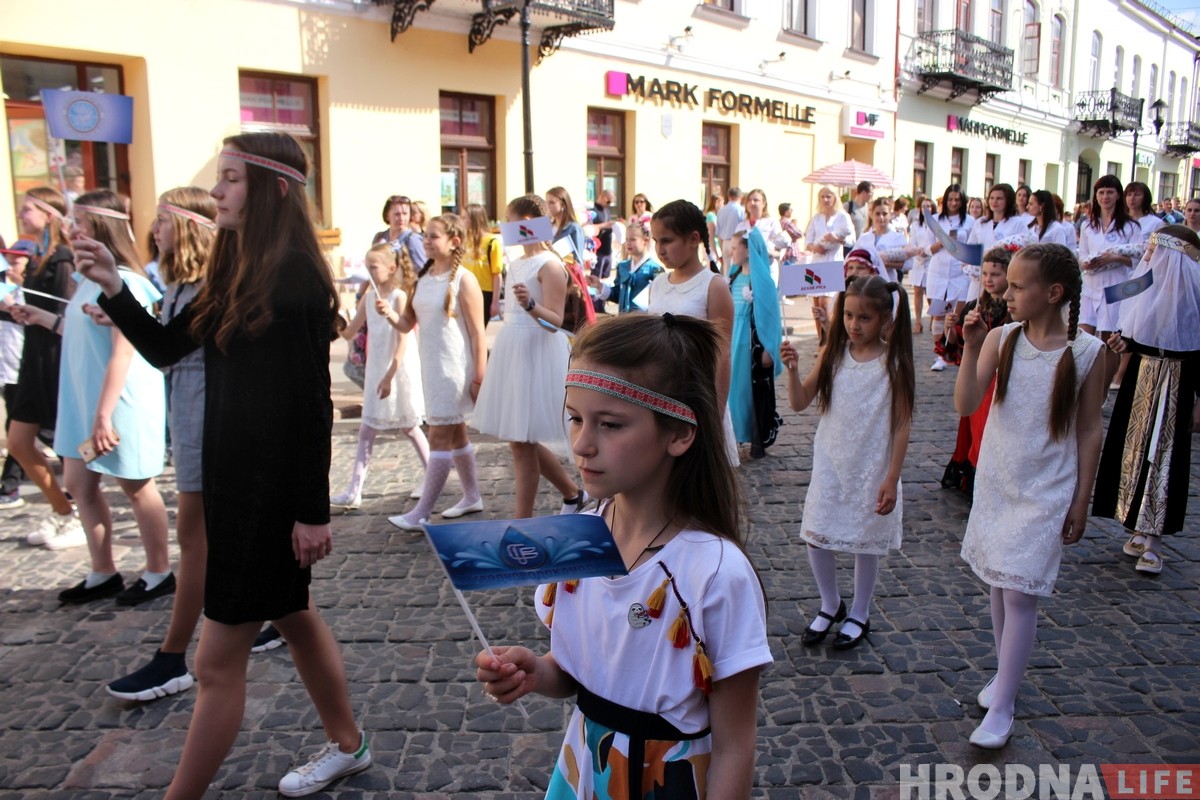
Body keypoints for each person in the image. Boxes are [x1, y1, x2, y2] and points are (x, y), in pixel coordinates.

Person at [77, 133, 371, 798]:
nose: (215, 191)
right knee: (295, 618)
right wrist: (114, 287)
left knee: (214, 665)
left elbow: (312, 405)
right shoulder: (234, 265)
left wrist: (311, 512)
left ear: (274, 188)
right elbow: (166, 348)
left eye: (231, 178)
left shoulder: (295, 276)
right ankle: (348, 744)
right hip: (232, 487)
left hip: (269, 498)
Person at [474, 312, 772, 799]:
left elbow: (735, 746)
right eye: (575, 418)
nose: (582, 444)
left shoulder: (715, 573)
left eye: (610, 424)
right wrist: (537, 671)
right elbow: (583, 676)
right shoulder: (578, 539)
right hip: (585, 771)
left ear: (679, 433)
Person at [955, 243, 1104, 750]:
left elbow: (1089, 429)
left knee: (1020, 592)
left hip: (1047, 487)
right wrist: (971, 347)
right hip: (1000, 480)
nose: (1008, 294)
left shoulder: (1087, 353)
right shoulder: (1003, 338)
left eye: (1019, 286)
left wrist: (1081, 499)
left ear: (1053, 293)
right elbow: (966, 402)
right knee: (1001, 584)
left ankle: (1003, 705)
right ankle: (1004, 677)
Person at [11, 192, 172, 605]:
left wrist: (104, 416)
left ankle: (159, 571)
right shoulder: (87, 279)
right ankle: (104, 571)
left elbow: (123, 350)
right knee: (80, 486)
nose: (71, 228)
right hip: (83, 401)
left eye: (79, 220)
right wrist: (43, 318)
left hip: (118, 403)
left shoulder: (127, 283)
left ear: (102, 226)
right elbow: (83, 331)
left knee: (137, 486)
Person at [105, 187, 217, 700]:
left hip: (204, 413)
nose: (154, 229)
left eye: (164, 220)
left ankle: (172, 657)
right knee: (216, 537)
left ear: (190, 228)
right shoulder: (178, 283)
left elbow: (167, 349)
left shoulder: (209, 286)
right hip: (190, 410)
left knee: (194, 537)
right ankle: (276, 620)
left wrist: (115, 292)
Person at [781, 275, 913, 652]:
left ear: (885, 319)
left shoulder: (894, 362)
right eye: (849, 315)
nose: (854, 325)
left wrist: (892, 476)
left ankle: (859, 610)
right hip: (832, 460)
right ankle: (830, 602)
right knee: (817, 533)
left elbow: (902, 423)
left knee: (864, 540)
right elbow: (800, 402)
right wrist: (793, 370)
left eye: (864, 318)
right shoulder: (833, 353)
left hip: (871, 464)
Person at [1094, 226, 1200, 575]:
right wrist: (1124, 344)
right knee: (1133, 452)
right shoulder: (1146, 288)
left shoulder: (1193, 296)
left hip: (1176, 384)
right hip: (1140, 380)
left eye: (1155, 251)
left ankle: (1155, 540)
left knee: (1164, 456)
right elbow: (1135, 331)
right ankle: (1136, 524)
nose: (1148, 256)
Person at [473, 194, 587, 519]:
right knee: (520, 439)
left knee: (522, 441)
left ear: (525, 223)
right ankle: (572, 493)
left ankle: (522, 520)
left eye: (509, 221)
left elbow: (555, 321)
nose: (505, 227)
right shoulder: (516, 262)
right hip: (514, 350)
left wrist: (530, 306)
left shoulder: (549, 264)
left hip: (537, 352)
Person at [383, 213, 487, 530]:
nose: (426, 240)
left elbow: (478, 333)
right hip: (431, 368)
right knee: (456, 434)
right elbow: (407, 324)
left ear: (454, 241)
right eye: (425, 235)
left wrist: (479, 376)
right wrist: (389, 313)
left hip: (454, 369)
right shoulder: (423, 278)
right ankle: (472, 496)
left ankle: (422, 512)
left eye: (433, 236)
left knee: (439, 435)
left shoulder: (463, 280)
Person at [10, 187, 82, 548]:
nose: (21, 215)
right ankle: (63, 511)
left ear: (49, 215)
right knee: (18, 442)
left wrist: (37, 314)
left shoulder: (63, 259)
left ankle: (79, 515)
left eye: (28, 209)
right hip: (33, 356)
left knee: (68, 447)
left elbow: (68, 317)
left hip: (56, 359)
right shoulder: (39, 258)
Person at [330, 243, 426, 509]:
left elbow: (403, 341)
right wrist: (336, 317)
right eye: (368, 267)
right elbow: (350, 332)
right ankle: (354, 490)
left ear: (391, 268)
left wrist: (389, 376)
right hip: (376, 367)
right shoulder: (369, 297)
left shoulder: (399, 297)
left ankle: (433, 475)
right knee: (368, 429)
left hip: (396, 368)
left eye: (374, 267)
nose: (370, 272)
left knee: (409, 425)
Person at [648, 200, 738, 467]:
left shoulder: (713, 286)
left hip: (696, 392)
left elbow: (722, 354)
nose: (660, 249)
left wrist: (715, 413)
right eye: (655, 241)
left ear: (693, 239)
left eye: (667, 240)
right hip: (660, 388)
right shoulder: (658, 284)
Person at [939, 245, 1014, 496]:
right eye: (985, 274)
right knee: (977, 429)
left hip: (1003, 378)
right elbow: (955, 344)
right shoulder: (974, 306)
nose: (989, 279)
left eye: (996, 274)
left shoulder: (1015, 309)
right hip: (978, 379)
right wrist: (950, 327)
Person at [1078, 175, 1142, 390]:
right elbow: (1082, 255)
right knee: (1083, 337)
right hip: (1091, 286)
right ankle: (1083, 384)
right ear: (1096, 196)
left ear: (1117, 196)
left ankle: (1103, 388)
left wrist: (1114, 258)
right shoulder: (1088, 226)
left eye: (1110, 192)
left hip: (1116, 287)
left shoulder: (1130, 226)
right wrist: (1087, 263)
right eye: (1101, 192)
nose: (1105, 196)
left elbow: (1137, 260)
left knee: (1110, 340)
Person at [727, 230, 782, 459]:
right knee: (732, 392)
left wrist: (770, 348)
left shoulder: (762, 281)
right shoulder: (733, 276)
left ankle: (755, 435)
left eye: (735, 247)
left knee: (748, 392)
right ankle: (733, 435)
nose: (731, 252)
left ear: (748, 251)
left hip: (749, 344)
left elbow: (771, 317)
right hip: (732, 339)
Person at [924, 184, 974, 371]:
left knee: (957, 315)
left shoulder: (970, 222)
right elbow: (926, 249)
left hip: (959, 272)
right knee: (938, 314)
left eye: (957, 200)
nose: (953, 203)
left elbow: (973, 246)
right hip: (938, 272)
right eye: (950, 199)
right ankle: (940, 355)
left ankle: (956, 351)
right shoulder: (935, 220)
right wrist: (942, 242)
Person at [0, 241, 30, 509]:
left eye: (16, 261)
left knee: (33, 426)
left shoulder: (30, 292)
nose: (10, 267)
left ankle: (10, 486)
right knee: (19, 425)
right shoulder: (13, 289)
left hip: (24, 368)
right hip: (9, 368)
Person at [805, 186, 855, 344]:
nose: (825, 200)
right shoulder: (816, 218)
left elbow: (851, 240)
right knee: (816, 307)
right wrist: (815, 248)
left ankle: (833, 341)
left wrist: (837, 239)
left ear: (835, 198)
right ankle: (822, 342)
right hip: (816, 264)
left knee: (826, 304)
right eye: (822, 197)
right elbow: (808, 242)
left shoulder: (843, 217)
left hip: (833, 263)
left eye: (828, 196)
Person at [546, 186, 598, 331]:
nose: (548, 206)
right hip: (549, 275)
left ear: (563, 204)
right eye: (547, 202)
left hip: (567, 278)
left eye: (552, 202)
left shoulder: (573, 228)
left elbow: (577, 259)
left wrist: (558, 253)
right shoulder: (548, 226)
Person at [588, 220, 663, 313]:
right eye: (626, 239)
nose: (628, 243)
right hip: (624, 318)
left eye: (633, 239)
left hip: (644, 319)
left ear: (645, 241)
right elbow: (617, 295)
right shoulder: (622, 266)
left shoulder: (654, 269)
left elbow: (661, 300)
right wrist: (599, 286)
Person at [967, 184, 1027, 299]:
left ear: (1008, 200)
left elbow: (1023, 249)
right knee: (975, 305)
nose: (994, 201)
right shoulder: (981, 222)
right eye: (992, 198)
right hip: (980, 276)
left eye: (999, 198)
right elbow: (971, 248)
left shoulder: (1018, 223)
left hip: (1003, 276)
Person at [461, 204, 503, 324]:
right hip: (464, 289)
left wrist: (495, 302)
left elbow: (496, 274)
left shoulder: (491, 242)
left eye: (464, 217)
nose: (461, 220)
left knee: (478, 328)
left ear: (474, 219)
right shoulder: (463, 240)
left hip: (484, 292)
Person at [372, 195, 425, 281]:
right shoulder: (380, 237)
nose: (401, 218)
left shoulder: (412, 239)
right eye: (397, 214)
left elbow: (423, 272)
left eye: (405, 214)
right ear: (387, 215)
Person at [743, 188, 790, 283]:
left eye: (756, 200)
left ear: (763, 204)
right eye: (749, 200)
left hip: (767, 266)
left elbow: (783, 243)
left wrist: (773, 253)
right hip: (747, 269)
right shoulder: (741, 225)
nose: (752, 203)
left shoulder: (771, 222)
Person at [855, 198, 908, 281]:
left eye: (884, 214)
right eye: (877, 214)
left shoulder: (898, 238)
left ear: (890, 215)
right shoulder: (864, 238)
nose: (881, 217)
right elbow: (852, 258)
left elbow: (908, 263)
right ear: (871, 215)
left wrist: (884, 263)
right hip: (866, 283)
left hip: (888, 282)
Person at [714, 187, 746, 272]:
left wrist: (721, 247)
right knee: (736, 270)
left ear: (728, 196)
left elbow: (718, 232)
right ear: (740, 197)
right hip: (737, 243)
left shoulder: (721, 211)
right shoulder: (741, 210)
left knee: (726, 270)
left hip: (725, 242)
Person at [592, 188, 616, 278]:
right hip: (598, 250)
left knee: (606, 278)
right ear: (602, 197)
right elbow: (588, 228)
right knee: (596, 277)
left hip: (608, 249)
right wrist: (605, 225)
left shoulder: (606, 210)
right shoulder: (593, 211)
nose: (609, 205)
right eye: (608, 202)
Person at [703, 193, 724, 263]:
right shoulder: (711, 216)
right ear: (716, 203)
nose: (723, 205)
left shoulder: (714, 215)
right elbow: (710, 237)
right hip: (712, 249)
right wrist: (716, 254)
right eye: (721, 203)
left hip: (713, 248)